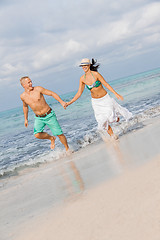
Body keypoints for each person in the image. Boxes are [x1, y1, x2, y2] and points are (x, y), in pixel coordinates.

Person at [66, 58, 132, 139]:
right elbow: (79, 93)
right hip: (96, 102)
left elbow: (106, 84)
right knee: (102, 120)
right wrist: (70, 102)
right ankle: (113, 136)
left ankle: (116, 115)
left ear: (89, 65)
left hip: (105, 99)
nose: (84, 67)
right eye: (82, 66)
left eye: (85, 65)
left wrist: (116, 94)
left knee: (111, 118)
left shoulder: (96, 74)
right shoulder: (82, 79)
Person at [20, 76, 69, 151]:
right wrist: (26, 119)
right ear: (24, 85)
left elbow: (52, 93)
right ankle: (51, 138)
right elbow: (25, 107)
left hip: (49, 115)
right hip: (38, 118)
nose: (31, 83)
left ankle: (67, 149)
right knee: (37, 134)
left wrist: (61, 102)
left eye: (31, 81)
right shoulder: (23, 96)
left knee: (59, 134)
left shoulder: (38, 89)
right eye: (28, 82)